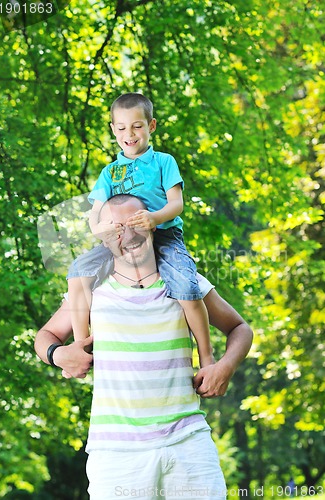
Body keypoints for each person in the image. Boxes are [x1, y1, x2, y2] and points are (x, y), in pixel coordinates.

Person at [35, 194, 253, 500]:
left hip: (187, 442)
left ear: (152, 225)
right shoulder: (91, 288)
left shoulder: (184, 282)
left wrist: (224, 367)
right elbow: (45, 335)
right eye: (116, 228)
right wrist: (58, 354)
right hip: (116, 453)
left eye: (136, 222)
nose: (128, 235)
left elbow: (240, 328)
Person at [67, 92, 214, 369]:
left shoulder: (163, 162)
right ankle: (82, 347)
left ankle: (206, 356)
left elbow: (177, 204)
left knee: (186, 286)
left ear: (151, 126)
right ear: (113, 130)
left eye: (137, 126)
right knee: (78, 272)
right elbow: (94, 216)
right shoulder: (110, 173)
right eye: (121, 127)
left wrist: (154, 218)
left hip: (164, 236)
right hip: (121, 241)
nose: (129, 134)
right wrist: (103, 229)